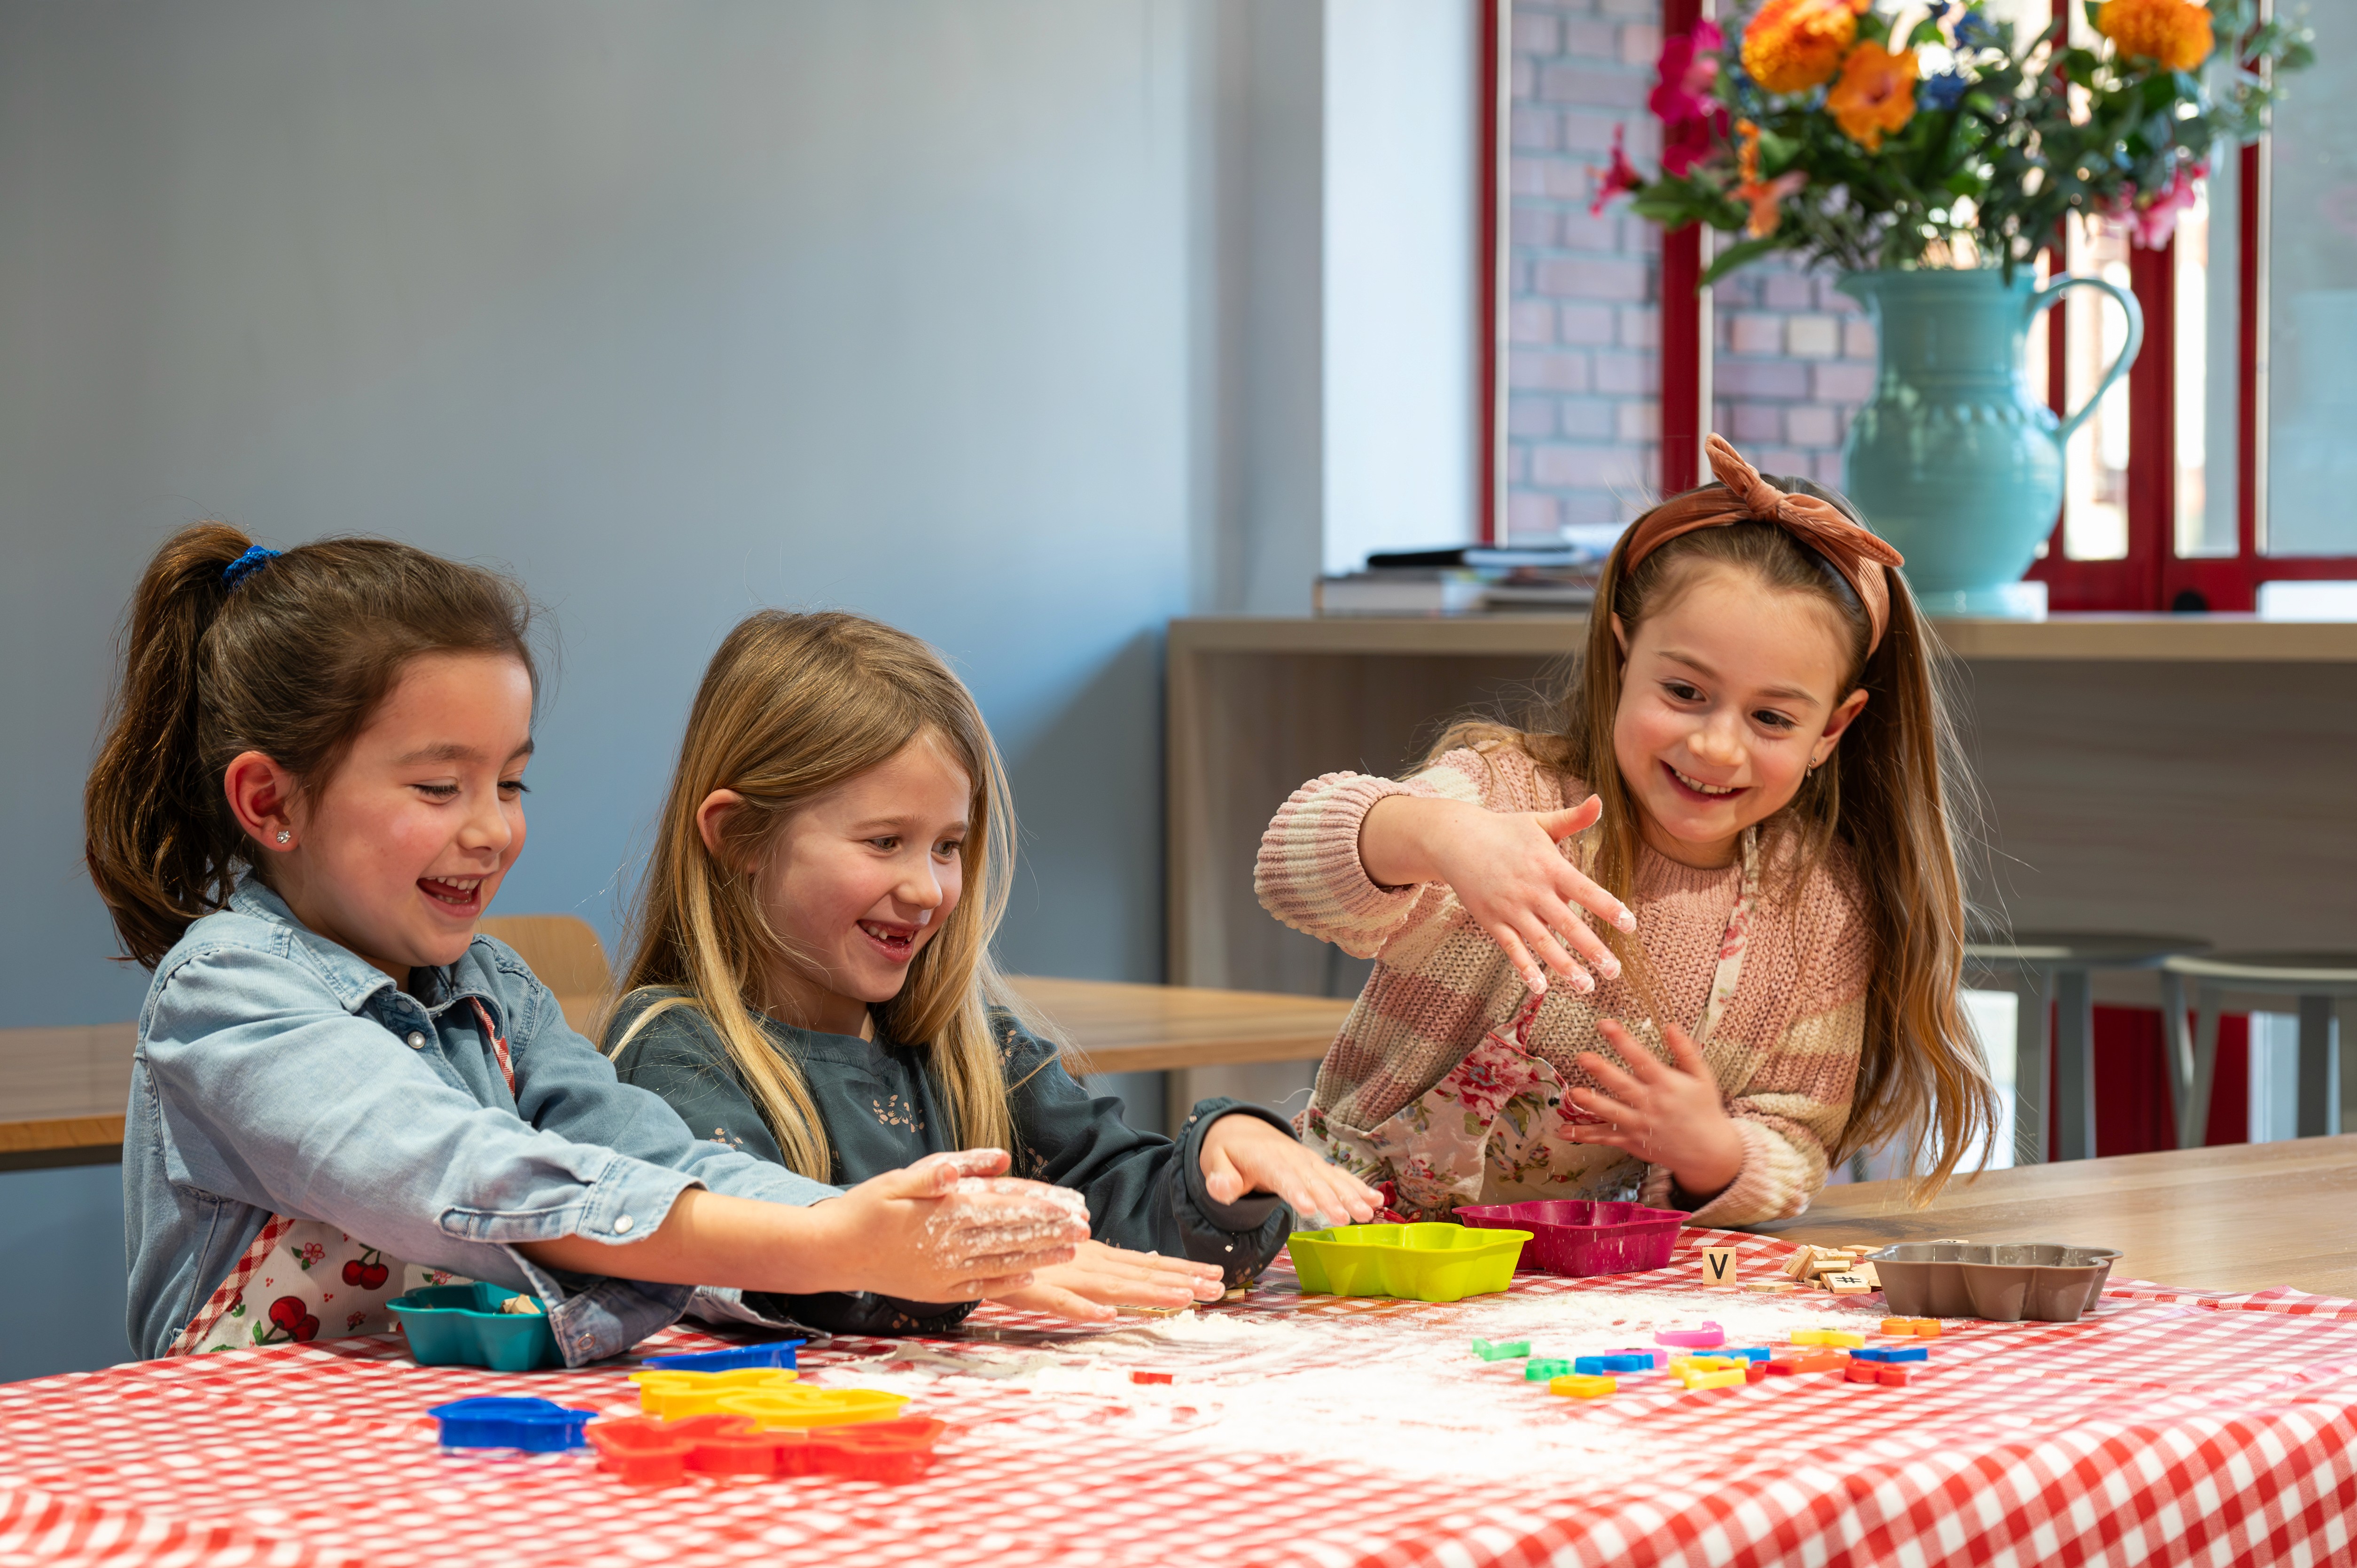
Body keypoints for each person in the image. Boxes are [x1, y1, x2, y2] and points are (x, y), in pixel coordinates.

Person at [88, 525, 1086, 1362]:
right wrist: (826, 1240)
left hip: (450, 1457)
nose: (493, 829)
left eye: (510, 782)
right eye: (440, 786)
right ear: (271, 802)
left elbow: (655, 1154)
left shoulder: (496, 990)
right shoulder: (224, 992)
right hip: (252, 1479)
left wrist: (868, 1231)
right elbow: (474, 1178)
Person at [1255, 435, 1998, 1225]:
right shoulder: (1507, 795)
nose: (1716, 744)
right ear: (1622, 655)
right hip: (1354, 1250)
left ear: (1833, 730)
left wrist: (1713, 1151)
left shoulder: (1819, 910)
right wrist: (1439, 836)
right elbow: (1292, 866)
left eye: (1772, 717)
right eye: (1683, 691)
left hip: (1590, 1295)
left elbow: (1796, 1136)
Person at [605, 610, 1380, 1333]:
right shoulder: (674, 1055)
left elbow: (1124, 1219)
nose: (928, 888)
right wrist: (977, 1262)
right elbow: (750, 1261)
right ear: (739, 835)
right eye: (884, 842)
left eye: (947, 846)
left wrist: (1224, 1165)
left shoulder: (968, 1046)